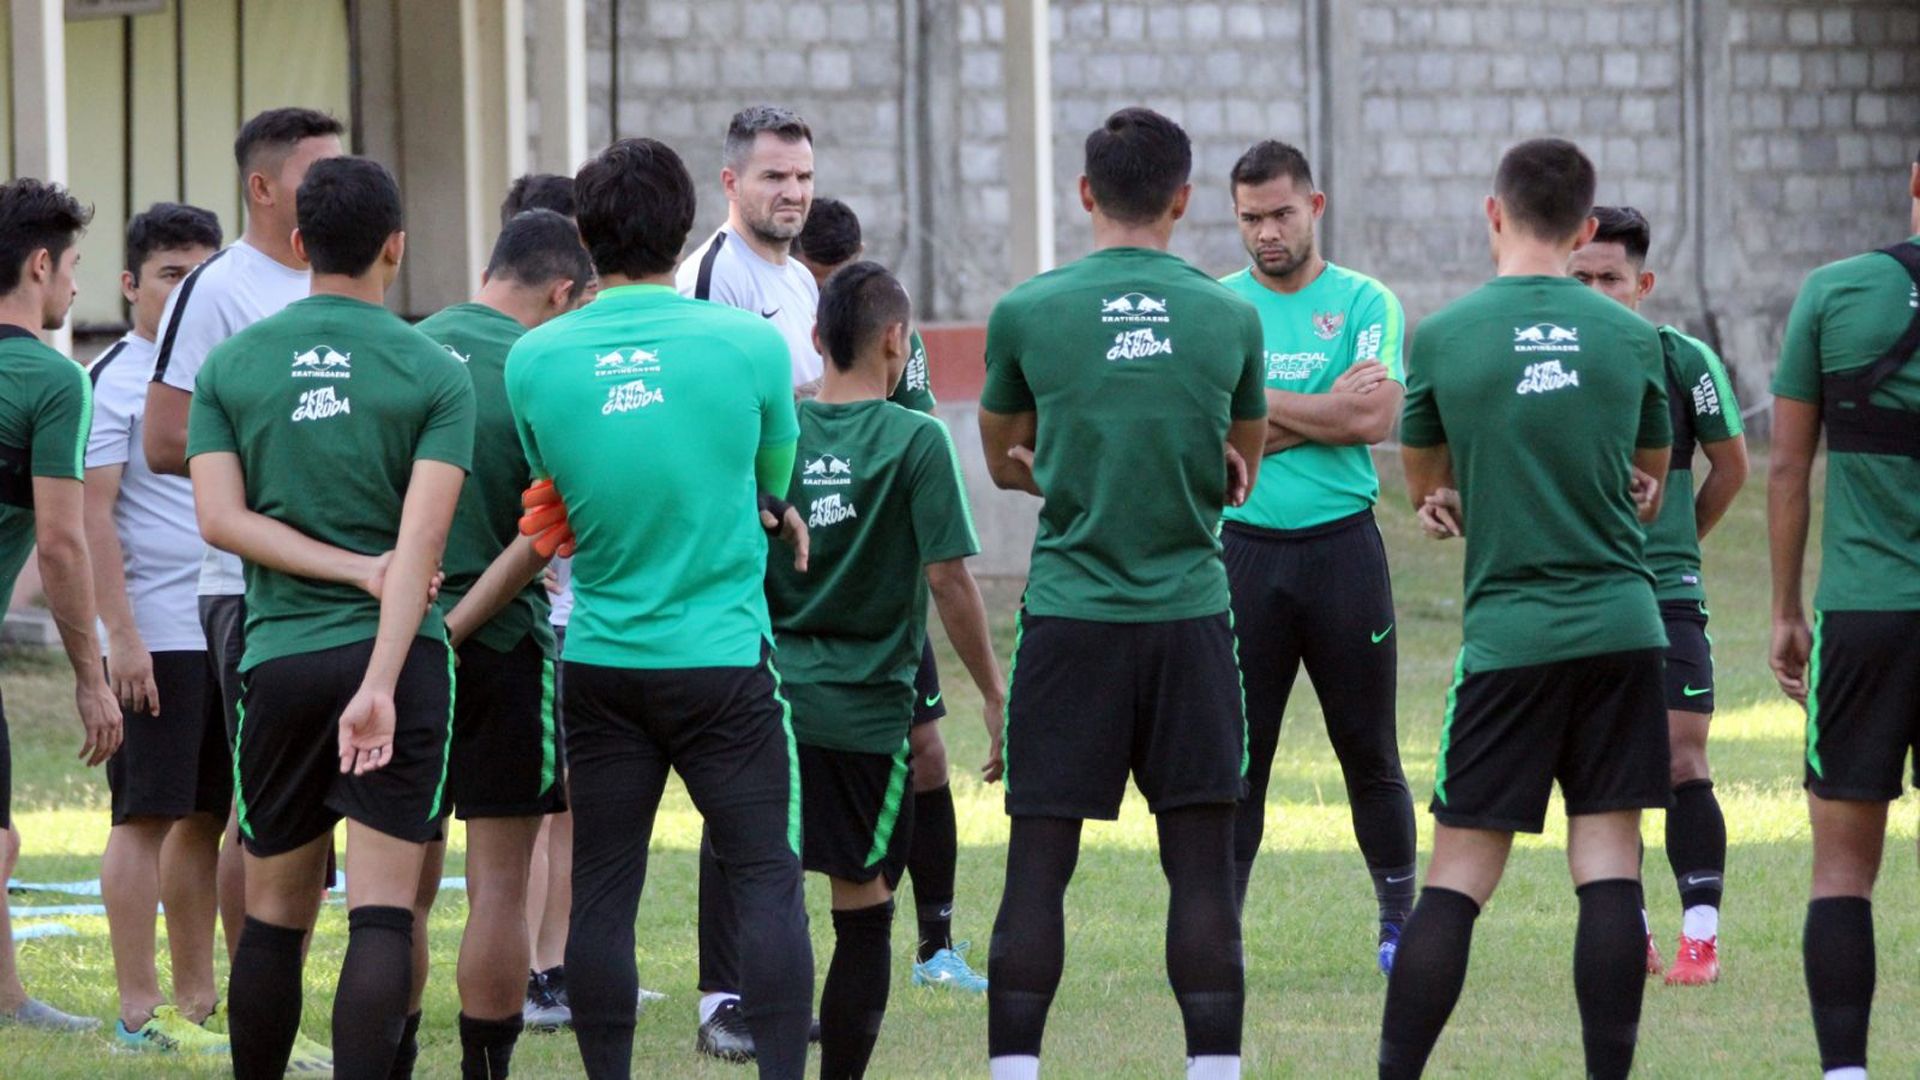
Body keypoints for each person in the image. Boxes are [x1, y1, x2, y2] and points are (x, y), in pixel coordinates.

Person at [505, 136, 813, 1080]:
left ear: (584, 236)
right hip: (724, 660)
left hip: (601, 659)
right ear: (685, 225)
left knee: (603, 887)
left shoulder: (534, 359)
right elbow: (770, 483)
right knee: (767, 877)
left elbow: (553, 489)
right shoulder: (751, 345)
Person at [978, 106, 1267, 1080]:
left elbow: (1005, 457)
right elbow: (1242, 470)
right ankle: (1213, 1070)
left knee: (1038, 867)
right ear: (1184, 200)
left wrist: (1062, 468)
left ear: (1084, 193)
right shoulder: (1231, 316)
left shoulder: (1027, 311)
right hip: (1190, 619)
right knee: (1201, 870)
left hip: (1071, 620)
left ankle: (1015, 1070)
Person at [1379, 139, 1671, 1080]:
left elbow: (1429, 489)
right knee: (1610, 862)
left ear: (1493, 213)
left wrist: (1469, 495)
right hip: (1624, 627)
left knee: (1459, 875)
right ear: (1585, 229)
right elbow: (1648, 483)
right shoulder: (1633, 338)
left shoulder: (1446, 336)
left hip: (1510, 637)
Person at [185, 155, 476, 1079]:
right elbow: (421, 548)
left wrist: (349, 570)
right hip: (398, 662)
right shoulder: (436, 371)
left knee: (274, 918)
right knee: (383, 914)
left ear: (302, 241)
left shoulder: (232, 365)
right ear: (397, 245)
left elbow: (220, 521)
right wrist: (380, 678)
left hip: (278, 661)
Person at [765, 260, 1004, 1077]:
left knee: (769, 900)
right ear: (896, 341)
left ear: (814, 336)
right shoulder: (915, 439)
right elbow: (949, 579)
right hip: (864, 717)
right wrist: (994, 693)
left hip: (764, 711)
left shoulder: (777, 433)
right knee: (862, 911)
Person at [142, 113, 344, 1070]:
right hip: (248, 584)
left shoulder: (340, 279)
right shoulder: (219, 289)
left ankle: (280, 1009)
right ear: (263, 188)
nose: (336, 185)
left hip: (348, 585)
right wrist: (285, 462)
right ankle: (257, 1016)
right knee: (259, 810)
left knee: (318, 818)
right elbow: (162, 438)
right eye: (317, 172)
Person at [1215, 140, 1417, 974]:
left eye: (1281, 214)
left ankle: (1399, 926)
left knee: (1369, 750)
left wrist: (1259, 415)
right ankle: (1220, 931)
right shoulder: (1219, 308)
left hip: (1343, 553)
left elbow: (1374, 420)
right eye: (1250, 218)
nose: (1266, 232)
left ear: (1315, 207)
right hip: (1243, 556)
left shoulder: (1366, 301)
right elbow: (1210, 442)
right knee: (1239, 758)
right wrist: (1319, 409)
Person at [791, 197, 986, 994]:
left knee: (928, 754)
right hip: (811, 669)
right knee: (815, 872)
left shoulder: (908, 418)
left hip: (880, 628)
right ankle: (740, 992)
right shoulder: (780, 418)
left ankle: (935, 942)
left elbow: (940, 563)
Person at [418, 207, 593, 1078]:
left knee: (398, 892)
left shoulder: (409, 348)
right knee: (497, 888)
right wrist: (458, 627)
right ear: (561, 292)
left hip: (398, 646)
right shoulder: (543, 371)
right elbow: (542, 537)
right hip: (503, 647)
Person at [677, 103, 825, 1059]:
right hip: (732, 564)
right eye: (775, 176)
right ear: (731, 182)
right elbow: (707, 421)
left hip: (794, 556)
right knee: (734, 786)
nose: (793, 193)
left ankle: (762, 982)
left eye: (803, 176)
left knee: (773, 781)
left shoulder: (800, 280)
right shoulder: (711, 275)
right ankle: (721, 996)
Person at [1768, 152, 1920, 1080]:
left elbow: (1788, 467)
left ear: (1915, 181)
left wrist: (1785, 608)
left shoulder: (1833, 292)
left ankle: (1845, 1073)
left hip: (1863, 616)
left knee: (1841, 873)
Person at [1570, 205, 1748, 986]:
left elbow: (1732, 467)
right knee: (1606, 774)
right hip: (1583, 592)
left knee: (1681, 757)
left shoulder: (1682, 360)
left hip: (1667, 593)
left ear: (1641, 285)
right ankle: (1633, 934)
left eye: (1610, 278)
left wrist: (1680, 541)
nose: (1595, 292)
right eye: (1580, 277)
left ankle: (1699, 939)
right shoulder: (1546, 364)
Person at [83, 202, 230, 1053]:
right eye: (171, 275)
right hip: (157, 634)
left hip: (226, 624)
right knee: (143, 818)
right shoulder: (114, 377)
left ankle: (197, 1002)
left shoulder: (223, 365)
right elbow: (91, 518)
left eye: (199, 276)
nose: (185, 292)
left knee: (207, 816)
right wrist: (123, 638)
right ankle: (137, 1013)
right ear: (131, 285)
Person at [0, 177, 117, 1036]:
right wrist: (90, 677)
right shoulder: (53, 380)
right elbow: (64, 543)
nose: (75, 287)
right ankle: (7, 1004)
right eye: (73, 268)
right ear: (40, 266)